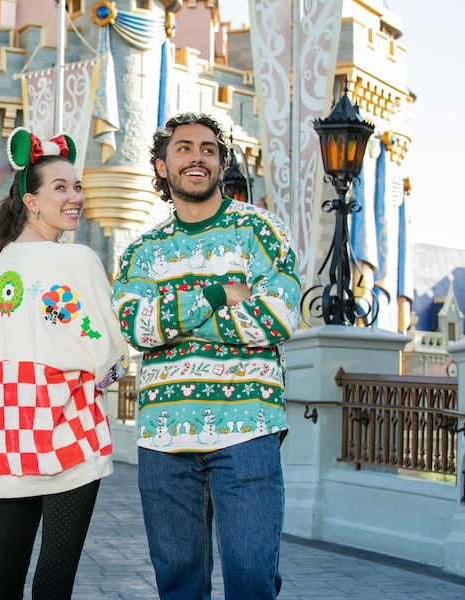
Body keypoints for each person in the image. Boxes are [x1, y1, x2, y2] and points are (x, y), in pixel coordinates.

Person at [111, 112, 301, 599]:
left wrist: (174, 320)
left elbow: (276, 316)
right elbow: (137, 327)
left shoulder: (260, 232)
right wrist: (219, 292)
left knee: (252, 577)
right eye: (184, 148)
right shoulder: (142, 252)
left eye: (209, 149)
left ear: (221, 163)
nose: (197, 156)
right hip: (164, 431)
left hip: (247, 428)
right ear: (161, 165)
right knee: (177, 583)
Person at [0, 127, 129, 600]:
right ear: (31, 201)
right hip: (68, 431)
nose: (74, 196)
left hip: (7, 435)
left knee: (5, 577)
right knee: (54, 581)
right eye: (60, 187)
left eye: (77, 186)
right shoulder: (76, 260)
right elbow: (108, 352)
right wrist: (106, 368)